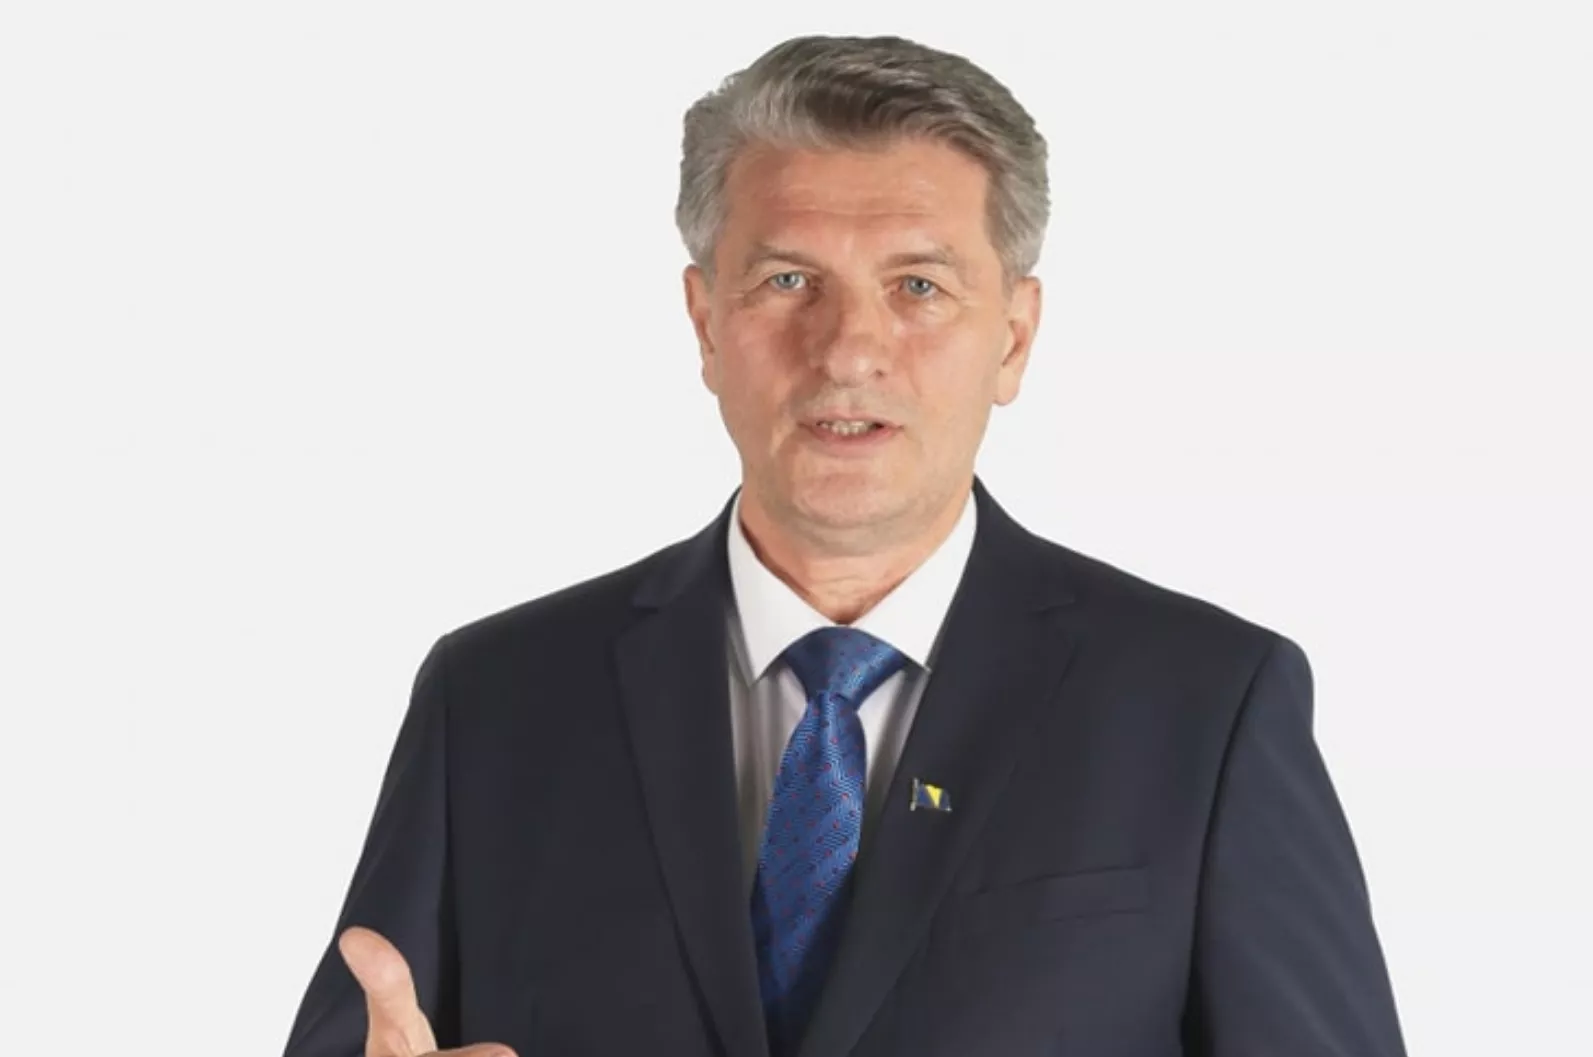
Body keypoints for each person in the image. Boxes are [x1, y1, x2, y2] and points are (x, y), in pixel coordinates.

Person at [281, 34, 1408, 1057]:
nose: (848, 349)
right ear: (706, 323)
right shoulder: (494, 699)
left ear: (1013, 338)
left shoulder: (1205, 706)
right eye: (788, 282)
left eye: (918, 286)